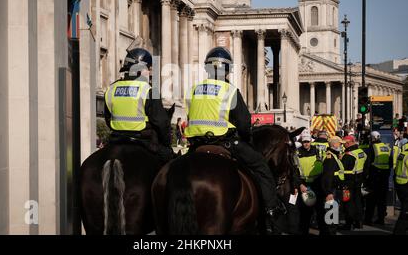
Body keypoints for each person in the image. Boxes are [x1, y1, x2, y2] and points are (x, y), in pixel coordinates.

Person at [184, 47, 284, 229]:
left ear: (207, 69)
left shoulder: (194, 90)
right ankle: (271, 209)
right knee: (261, 167)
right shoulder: (229, 91)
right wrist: (247, 138)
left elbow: (190, 116)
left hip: (196, 143)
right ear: (227, 70)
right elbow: (244, 123)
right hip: (225, 143)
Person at [104, 48, 174, 164]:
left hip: (115, 139)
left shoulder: (111, 89)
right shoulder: (149, 90)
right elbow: (161, 122)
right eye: (149, 69)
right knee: (168, 162)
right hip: (143, 140)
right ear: (140, 69)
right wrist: (166, 143)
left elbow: (108, 118)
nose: (150, 74)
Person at [295, 134, 325, 235]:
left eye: (307, 142)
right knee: (305, 212)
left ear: (311, 142)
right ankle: (304, 231)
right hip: (304, 185)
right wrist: (300, 184)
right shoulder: (297, 152)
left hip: (317, 183)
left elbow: (324, 166)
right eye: (304, 142)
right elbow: (294, 171)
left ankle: (324, 231)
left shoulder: (318, 151)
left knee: (320, 210)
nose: (306, 144)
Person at [364, 131, 392, 225]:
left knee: (371, 199)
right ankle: (381, 219)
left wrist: (366, 176)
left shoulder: (373, 147)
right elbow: (390, 163)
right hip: (384, 177)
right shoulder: (386, 147)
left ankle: (368, 219)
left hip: (374, 176)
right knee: (382, 199)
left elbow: (368, 163)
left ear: (372, 138)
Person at [320, 136, 345, 235]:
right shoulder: (330, 158)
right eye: (340, 143)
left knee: (332, 216)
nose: (341, 145)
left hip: (334, 190)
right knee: (331, 217)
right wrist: (328, 192)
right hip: (331, 191)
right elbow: (327, 177)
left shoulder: (334, 155)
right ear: (334, 144)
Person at [341, 135, 367, 230]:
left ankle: (349, 224)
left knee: (348, 202)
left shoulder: (349, 155)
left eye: (345, 144)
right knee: (358, 201)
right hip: (358, 180)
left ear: (349, 142)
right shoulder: (361, 152)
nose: (344, 146)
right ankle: (359, 222)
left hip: (348, 181)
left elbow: (343, 168)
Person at [394, 138, 408, 235]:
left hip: (400, 184)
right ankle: (399, 231)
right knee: (405, 210)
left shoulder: (403, 154)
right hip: (406, 185)